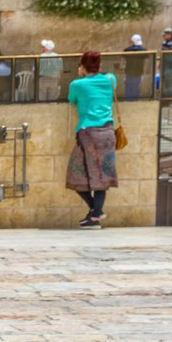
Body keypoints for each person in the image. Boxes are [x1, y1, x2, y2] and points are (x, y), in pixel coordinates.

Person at [65, 49, 119, 229]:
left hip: (88, 133)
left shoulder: (77, 85)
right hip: (108, 132)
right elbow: (109, 77)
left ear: (82, 66)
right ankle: (95, 214)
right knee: (102, 175)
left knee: (76, 174)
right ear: (100, 65)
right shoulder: (110, 80)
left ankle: (95, 211)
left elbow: (71, 100)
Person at [122, 34, 148, 100]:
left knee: (129, 87)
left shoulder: (127, 50)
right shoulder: (144, 50)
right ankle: (135, 99)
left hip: (129, 71)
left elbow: (124, 52)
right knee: (136, 87)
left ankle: (128, 100)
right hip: (138, 71)